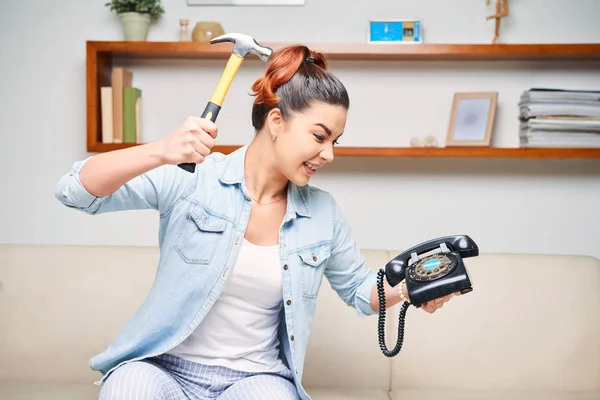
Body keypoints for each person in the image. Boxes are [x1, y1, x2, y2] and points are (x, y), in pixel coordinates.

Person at [55, 44, 458, 400]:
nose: (329, 154)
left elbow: (358, 290)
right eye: (320, 136)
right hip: (162, 369)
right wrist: (162, 150)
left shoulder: (323, 212)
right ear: (277, 122)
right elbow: (75, 190)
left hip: (254, 378)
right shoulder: (193, 178)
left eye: (335, 141)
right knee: (127, 390)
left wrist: (412, 287)